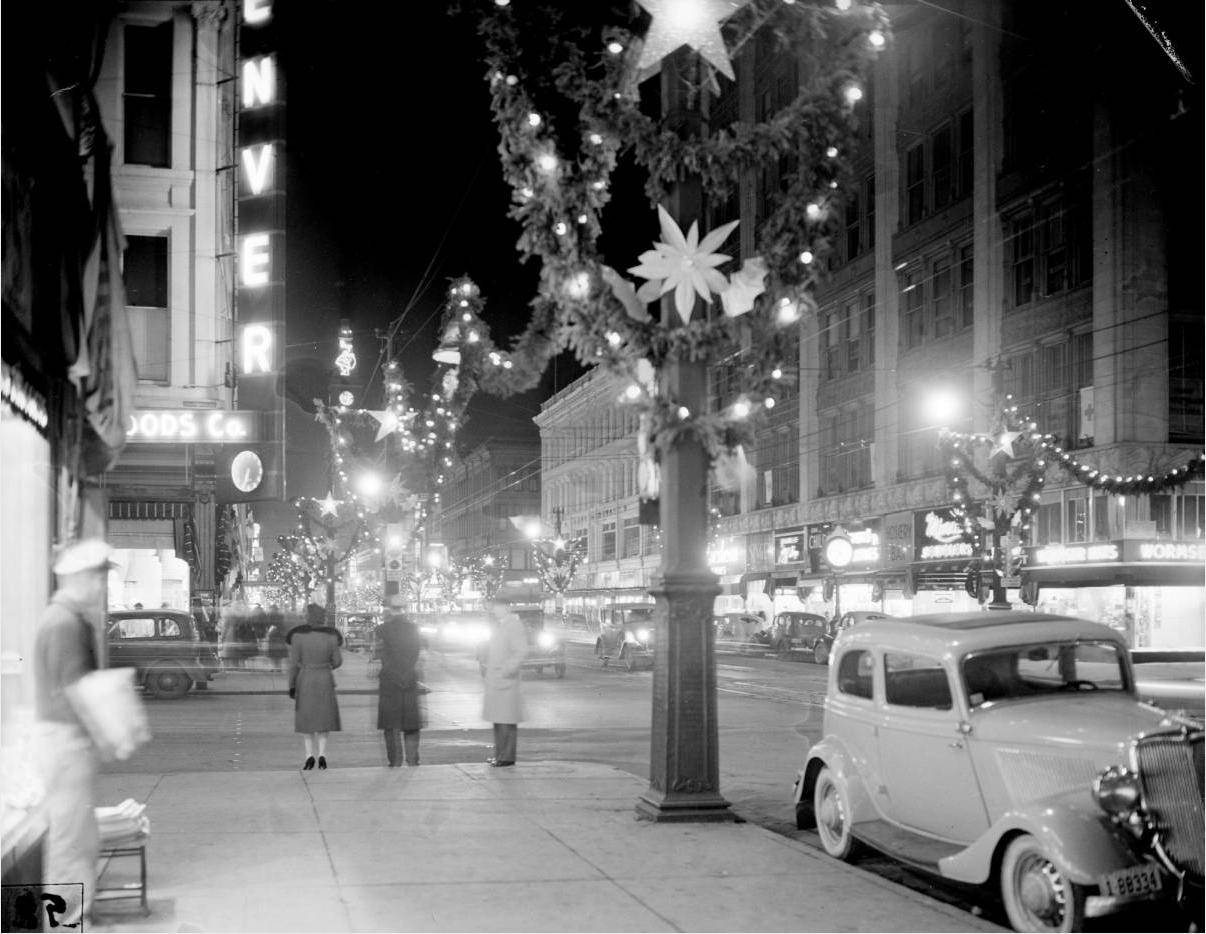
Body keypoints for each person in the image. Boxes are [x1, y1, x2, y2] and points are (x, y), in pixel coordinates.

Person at [34, 538, 114, 928]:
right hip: (66, 743)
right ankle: (64, 926)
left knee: (76, 841)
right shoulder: (64, 622)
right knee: (69, 845)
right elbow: (75, 691)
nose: (101, 586)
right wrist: (109, 731)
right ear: (78, 578)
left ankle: (71, 923)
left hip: (64, 743)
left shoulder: (63, 618)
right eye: (97, 578)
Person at [286, 603, 343, 769]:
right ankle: (323, 755)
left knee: (307, 719)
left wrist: (292, 685)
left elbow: (294, 664)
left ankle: (309, 755)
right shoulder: (331, 638)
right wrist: (327, 666)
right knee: (324, 719)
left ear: (308, 617)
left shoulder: (298, 637)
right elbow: (338, 661)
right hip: (325, 678)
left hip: (305, 679)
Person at [375, 604, 425, 767]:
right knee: (410, 723)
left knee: (391, 724)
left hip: (390, 680)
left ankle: (395, 761)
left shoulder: (381, 630)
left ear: (390, 610)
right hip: (409, 678)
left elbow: (379, 654)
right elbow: (417, 652)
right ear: (405, 610)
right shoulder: (414, 629)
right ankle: (412, 759)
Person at [481, 595, 528, 767]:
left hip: (506, 682)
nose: (493, 610)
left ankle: (506, 757)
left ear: (506, 607)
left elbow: (520, 651)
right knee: (499, 721)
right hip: (498, 681)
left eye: (496, 607)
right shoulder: (501, 625)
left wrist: (507, 669)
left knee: (506, 722)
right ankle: (500, 755)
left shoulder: (513, 625)